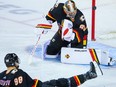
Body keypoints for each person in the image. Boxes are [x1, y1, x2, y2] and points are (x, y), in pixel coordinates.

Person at [0, 53, 97, 87]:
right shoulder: (19, 73)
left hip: (40, 84)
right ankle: (89, 75)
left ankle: (89, 75)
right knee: (63, 83)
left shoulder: (1, 75)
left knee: (61, 82)